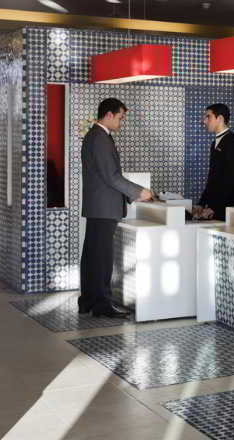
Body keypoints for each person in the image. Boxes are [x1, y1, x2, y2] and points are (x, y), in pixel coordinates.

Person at [79, 98, 153, 318]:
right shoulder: (100, 138)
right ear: (109, 115)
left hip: (98, 207)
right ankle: (101, 304)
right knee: (101, 258)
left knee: (93, 255)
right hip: (103, 208)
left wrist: (133, 194)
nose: (122, 122)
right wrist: (139, 192)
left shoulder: (95, 136)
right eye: (120, 117)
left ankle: (88, 301)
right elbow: (111, 176)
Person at [194, 103, 234, 221]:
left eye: (208, 117)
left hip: (227, 210)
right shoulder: (214, 144)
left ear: (220, 118)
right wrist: (201, 204)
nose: (204, 121)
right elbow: (212, 178)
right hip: (214, 209)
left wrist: (215, 208)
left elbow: (232, 180)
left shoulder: (233, 142)